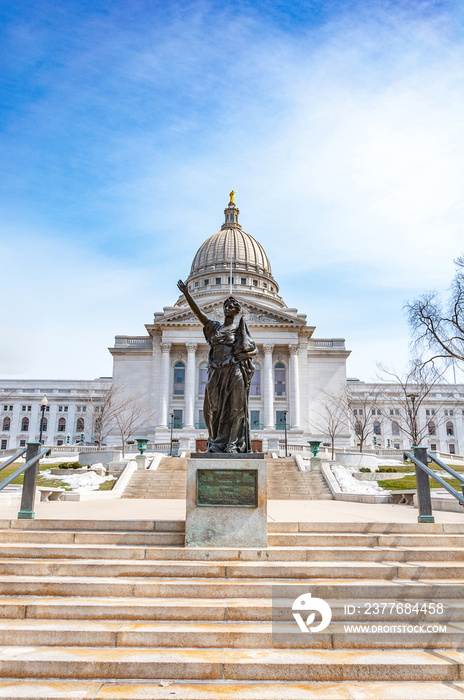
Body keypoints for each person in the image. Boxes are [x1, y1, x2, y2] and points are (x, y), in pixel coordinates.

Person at [177, 280, 257, 452]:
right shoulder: (214, 328)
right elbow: (198, 313)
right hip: (216, 372)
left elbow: (251, 350)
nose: (226, 308)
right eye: (225, 306)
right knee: (213, 408)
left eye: (230, 306)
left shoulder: (239, 330)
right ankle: (215, 441)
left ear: (237, 311)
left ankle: (232, 444)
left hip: (234, 371)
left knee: (236, 408)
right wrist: (186, 294)